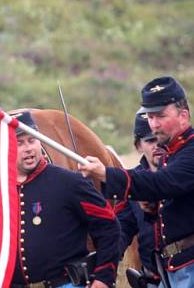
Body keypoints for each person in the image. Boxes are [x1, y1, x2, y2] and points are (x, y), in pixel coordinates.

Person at [78, 76, 194, 287]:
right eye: (150, 117)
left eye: (161, 116)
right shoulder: (170, 158)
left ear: (183, 116)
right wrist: (150, 211)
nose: (154, 125)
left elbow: (162, 183)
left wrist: (106, 174)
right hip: (177, 268)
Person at [10, 111, 118, 288]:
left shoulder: (70, 182)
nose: (29, 148)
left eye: (32, 140)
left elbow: (109, 227)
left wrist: (104, 277)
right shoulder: (0, 190)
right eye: (20, 143)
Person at [115, 112, 161, 287]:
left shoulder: (184, 168)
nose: (157, 145)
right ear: (138, 145)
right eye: (150, 141)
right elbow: (122, 228)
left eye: (159, 138)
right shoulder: (131, 183)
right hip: (153, 276)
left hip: (189, 269)